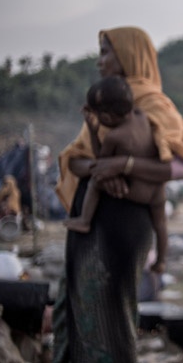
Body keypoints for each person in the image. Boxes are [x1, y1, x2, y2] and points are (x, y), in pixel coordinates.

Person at [52, 26, 183, 363]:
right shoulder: (105, 101)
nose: (99, 61)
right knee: (73, 306)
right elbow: (76, 160)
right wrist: (100, 170)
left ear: (130, 55)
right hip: (94, 215)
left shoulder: (151, 104)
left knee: (108, 314)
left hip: (123, 222)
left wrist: (125, 165)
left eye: (106, 51)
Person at [64, 75, 169, 274]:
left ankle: (84, 220)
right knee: (161, 224)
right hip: (156, 188)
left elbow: (102, 162)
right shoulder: (141, 116)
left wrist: (94, 132)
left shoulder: (114, 136)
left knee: (95, 181)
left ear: (107, 118)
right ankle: (161, 261)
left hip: (137, 191)